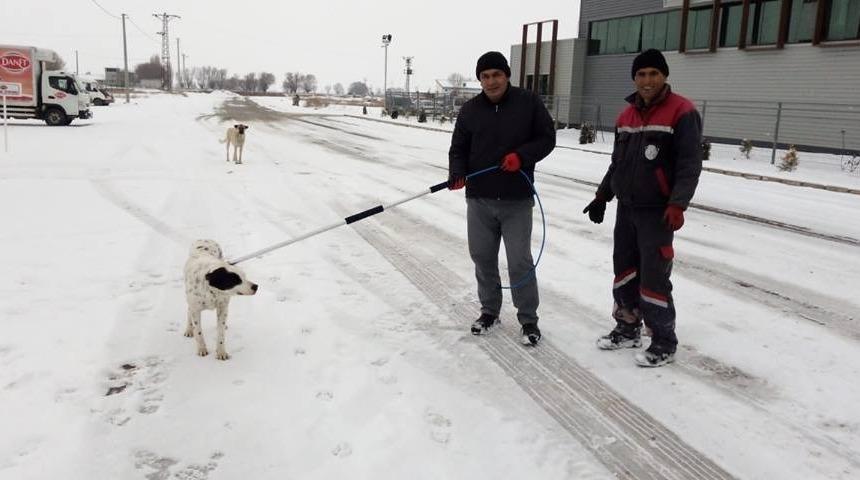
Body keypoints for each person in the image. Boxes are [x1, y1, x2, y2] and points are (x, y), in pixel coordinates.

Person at [582, 48, 702, 367]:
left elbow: (689, 164)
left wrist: (678, 203)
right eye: (641, 74)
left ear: (664, 76)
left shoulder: (682, 112)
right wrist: (602, 196)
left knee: (654, 275)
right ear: (634, 78)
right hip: (627, 208)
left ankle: (663, 340)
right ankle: (627, 326)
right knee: (624, 269)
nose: (647, 80)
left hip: (657, 212)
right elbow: (617, 164)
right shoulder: (626, 117)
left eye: (653, 73)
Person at [448, 51, 556, 345]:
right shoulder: (470, 110)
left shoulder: (528, 102)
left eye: (496, 74)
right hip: (479, 198)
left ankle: (528, 319)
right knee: (482, 257)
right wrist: (457, 172)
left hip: (516, 199)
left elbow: (547, 138)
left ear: (507, 75)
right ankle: (489, 312)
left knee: (519, 261)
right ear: (480, 79)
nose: (491, 81)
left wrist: (521, 156)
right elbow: (458, 148)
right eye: (485, 76)